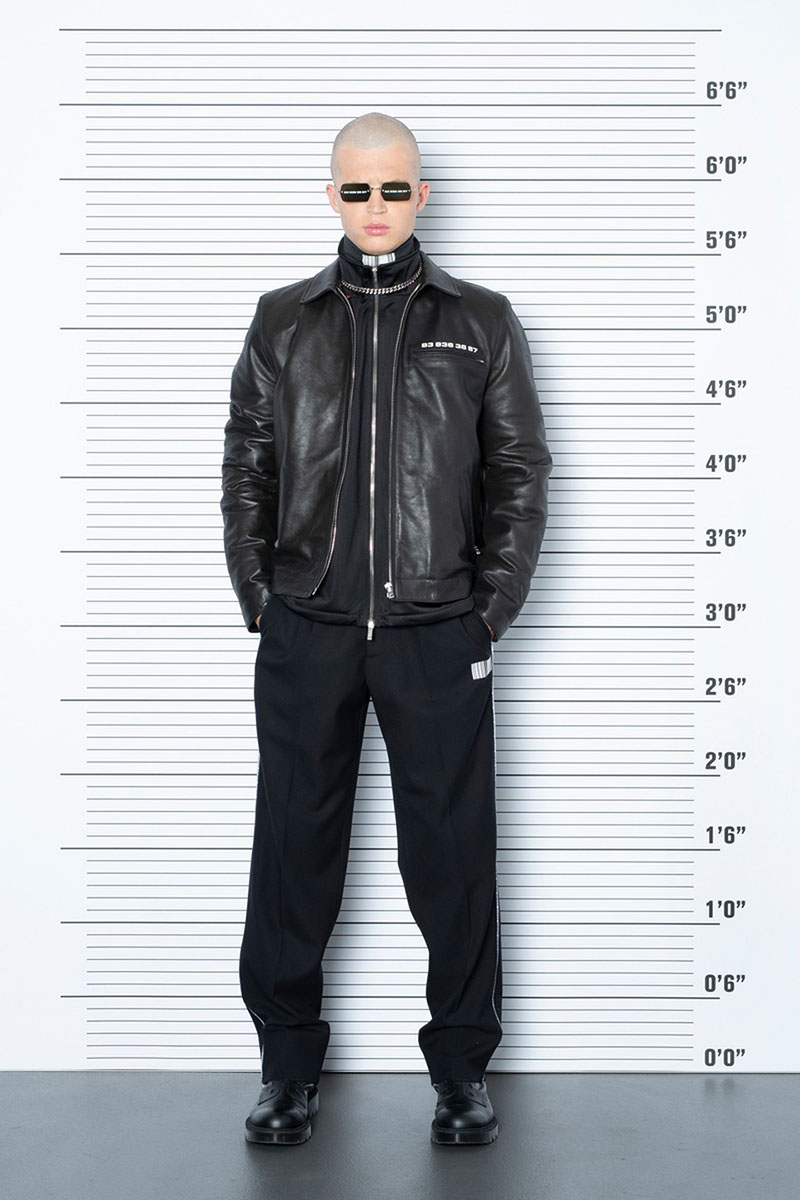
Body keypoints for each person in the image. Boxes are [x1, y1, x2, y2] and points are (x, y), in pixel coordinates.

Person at [220, 112, 552, 1147]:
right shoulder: (283, 319)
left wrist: (485, 612)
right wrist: (261, 599)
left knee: (452, 855)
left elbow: (519, 474)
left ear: (421, 195)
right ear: (332, 195)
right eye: (357, 189)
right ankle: (286, 1072)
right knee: (294, 851)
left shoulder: (480, 320)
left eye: (394, 188)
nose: (376, 207)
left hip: (435, 626)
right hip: (307, 624)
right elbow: (247, 465)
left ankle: (461, 1072)